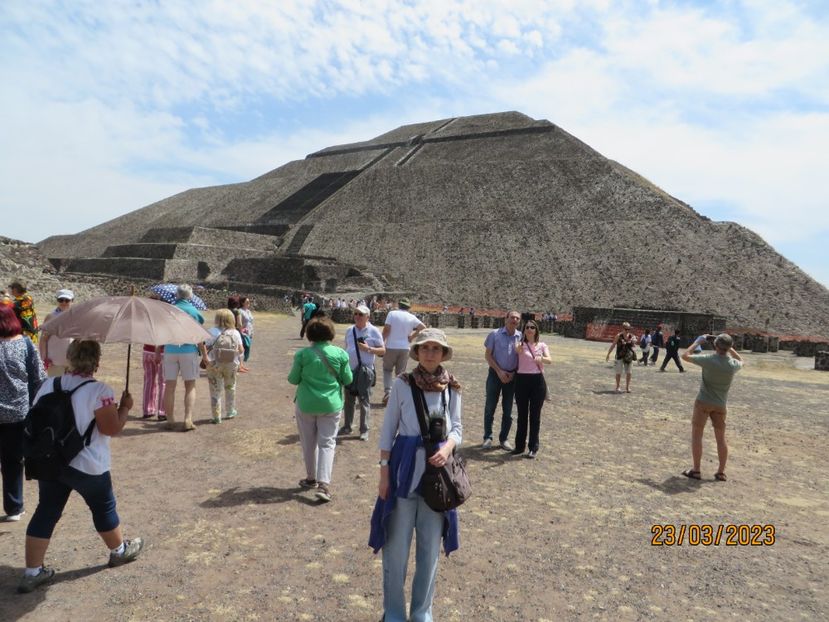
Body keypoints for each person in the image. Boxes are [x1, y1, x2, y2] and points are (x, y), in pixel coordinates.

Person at [19, 340, 143, 593]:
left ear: (70, 358)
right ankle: (118, 551)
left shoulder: (48, 385)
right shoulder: (99, 391)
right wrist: (126, 409)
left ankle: (32, 571)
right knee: (103, 506)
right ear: (96, 362)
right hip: (88, 463)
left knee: (47, 510)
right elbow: (111, 429)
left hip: (52, 461)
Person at [370, 328, 463, 622]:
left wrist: (448, 447)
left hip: (437, 479)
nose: (430, 353)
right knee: (396, 551)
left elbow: (457, 428)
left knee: (429, 551)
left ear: (444, 354)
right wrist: (384, 472)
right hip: (403, 472)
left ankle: (422, 612)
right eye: (425, 348)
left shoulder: (452, 387)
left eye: (436, 349)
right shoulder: (403, 383)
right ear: (417, 352)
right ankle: (394, 613)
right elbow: (388, 430)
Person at [287, 316, 352, 503]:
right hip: (331, 404)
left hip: (307, 403)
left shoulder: (302, 355)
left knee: (308, 442)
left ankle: (311, 477)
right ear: (330, 333)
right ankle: (324, 484)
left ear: (309, 334)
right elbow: (347, 380)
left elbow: (293, 379)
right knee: (327, 443)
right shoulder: (340, 354)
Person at [0, 304, 46, 523]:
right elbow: (39, 378)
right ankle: (14, 507)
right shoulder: (26, 345)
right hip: (18, 413)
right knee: (12, 461)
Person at [681, 334, 743, 482]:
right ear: (728, 348)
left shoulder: (709, 360)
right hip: (720, 404)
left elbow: (685, 355)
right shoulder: (732, 364)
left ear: (715, 346)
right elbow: (741, 360)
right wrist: (729, 347)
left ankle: (696, 470)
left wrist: (697, 341)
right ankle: (721, 472)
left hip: (703, 401)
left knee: (697, 435)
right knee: (721, 439)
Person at [162, 284, 208, 431]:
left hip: (170, 349)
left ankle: (170, 419)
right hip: (188, 350)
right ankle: (188, 419)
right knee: (190, 386)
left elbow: (162, 331)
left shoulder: (169, 310)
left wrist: (158, 349)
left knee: (169, 387)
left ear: (176, 295)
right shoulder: (194, 311)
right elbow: (199, 335)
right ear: (190, 296)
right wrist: (205, 354)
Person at [340, 305, 385, 441]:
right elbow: (347, 348)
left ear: (368, 317)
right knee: (348, 400)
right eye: (356, 314)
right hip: (349, 370)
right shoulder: (349, 330)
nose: (358, 316)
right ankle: (347, 426)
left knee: (364, 400)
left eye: (361, 314)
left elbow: (383, 351)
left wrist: (369, 349)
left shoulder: (374, 331)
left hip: (365, 371)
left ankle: (364, 430)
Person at [511, 320, 551, 458]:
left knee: (535, 416)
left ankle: (533, 447)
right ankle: (519, 446)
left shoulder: (542, 345)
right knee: (522, 415)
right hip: (522, 380)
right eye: (527, 327)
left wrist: (542, 359)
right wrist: (518, 348)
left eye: (532, 327)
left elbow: (550, 359)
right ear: (524, 330)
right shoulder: (520, 345)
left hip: (537, 381)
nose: (529, 329)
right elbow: (516, 350)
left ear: (536, 330)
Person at [482, 310, 522, 450]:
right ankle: (487, 437)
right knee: (490, 407)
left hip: (512, 377)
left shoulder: (520, 337)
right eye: (512, 317)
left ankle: (504, 438)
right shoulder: (495, 334)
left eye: (517, 318)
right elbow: (488, 356)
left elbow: (521, 358)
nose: (514, 320)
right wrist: (499, 371)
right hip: (495, 374)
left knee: (508, 410)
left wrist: (513, 373)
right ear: (506, 319)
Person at [381, 298, 426, 407]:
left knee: (387, 370)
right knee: (400, 373)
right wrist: (411, 336)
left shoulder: (392, 314)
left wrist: (381, 341)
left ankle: (388, 392)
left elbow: (386, 330)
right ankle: (397, 395)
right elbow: (423, 327)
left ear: (399, 305)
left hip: (391, 346)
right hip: (405, 347)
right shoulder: (412, 317)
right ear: (408, 307)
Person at [205, 309, 244, 424]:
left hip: (214, 364)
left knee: (215, 390)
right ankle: (230, 411)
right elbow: (241, 350)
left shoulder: (211, 331)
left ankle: (216, 416)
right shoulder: (235, 332)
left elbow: (205, 348)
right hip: (231, 364)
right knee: (230, 387)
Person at [39, 289, 74, 377]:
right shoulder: (51, 317)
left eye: (67, 300)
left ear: (72, 301)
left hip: (73, 360)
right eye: (61, 300)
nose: (64, 302)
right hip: (55, 361)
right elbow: (43, 340)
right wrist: (43, 358)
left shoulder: (76, 316)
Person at [605, 322, 637, 393]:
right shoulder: (618, 336)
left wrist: (633, 342)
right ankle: (618, 386)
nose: (628, 331)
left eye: (629, 329)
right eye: (626, 329)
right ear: (622, 329)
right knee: (618, 372)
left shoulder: (632, 336)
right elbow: (613, 345)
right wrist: (608, 354)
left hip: (628, 357)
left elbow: (634, 344)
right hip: (619, 356)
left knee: (629, 372)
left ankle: (627, 387)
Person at [238, 296, 254, 367]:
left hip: (249, 333)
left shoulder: (248, 311)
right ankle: (239, 365)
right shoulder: (240, 311)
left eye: (249, 301)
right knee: (242, 349)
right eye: (247, 302)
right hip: (243, 333)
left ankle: (241, 365)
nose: (248, 303)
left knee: (246, 348)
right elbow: (239, 323)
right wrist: (241, 330)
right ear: (242, 302)